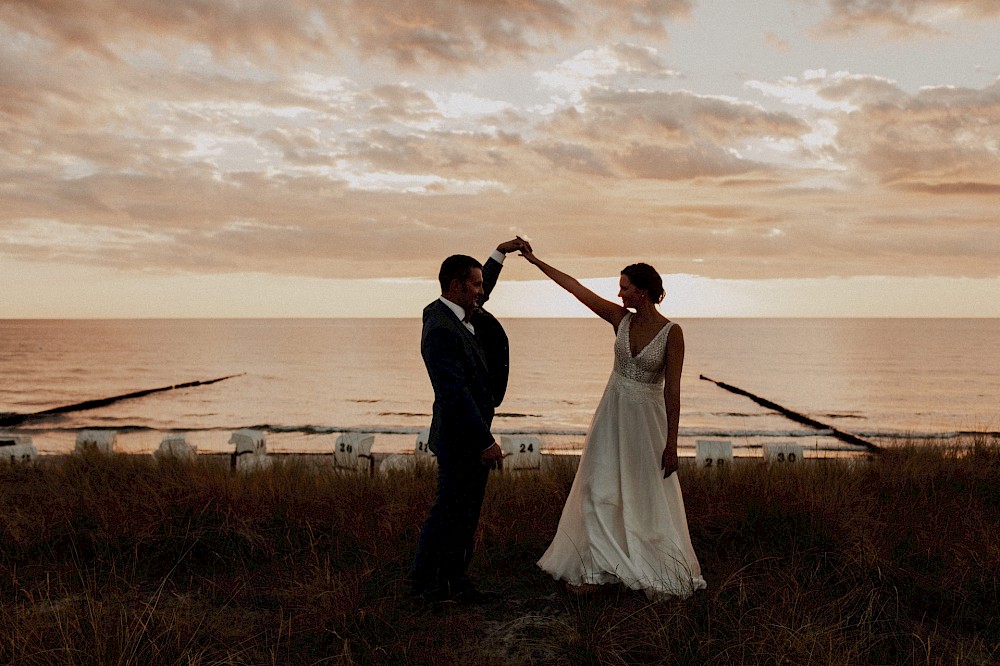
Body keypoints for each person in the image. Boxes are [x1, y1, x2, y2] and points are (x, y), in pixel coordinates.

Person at [524, 246, 707, 600]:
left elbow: (673, 391)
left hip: (646, 425)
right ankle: (594, 569)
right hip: (612, 417)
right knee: (598, 487)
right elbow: (575, 289)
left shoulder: (672, 333)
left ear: (642, 291)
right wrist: (535, 261)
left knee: (644, 493)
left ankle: (649, 564)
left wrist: (672, 444)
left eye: (623, 287)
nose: (618, 293)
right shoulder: (619, 319)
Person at [410, 238, 530, 604]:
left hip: (469, 434)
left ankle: (455, 580)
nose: (482, 291)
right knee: (448, 513)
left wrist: (500, 253)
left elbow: (484, 286)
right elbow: (453, 393)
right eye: (475, 285)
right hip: (461, 437)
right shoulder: (442, 330)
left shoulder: (453, 311)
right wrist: (485, 442)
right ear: (457, 286)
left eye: (481, 284)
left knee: (464, 516)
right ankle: (425, 589)